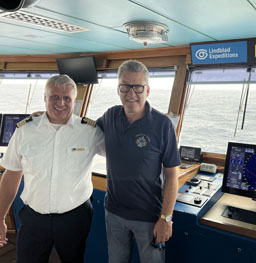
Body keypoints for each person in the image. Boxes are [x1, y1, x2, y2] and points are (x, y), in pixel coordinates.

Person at [0, 75, 105, 263]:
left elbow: (121, 152)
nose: (61, 103)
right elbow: (11, 174)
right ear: (45, 98)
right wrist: (0, 217)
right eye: (54, 97)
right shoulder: (25, 130)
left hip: (75, 217)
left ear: (75, 101)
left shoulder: (90, 131)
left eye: (67, 98)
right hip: (34, 218)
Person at [97, 60, 181, 263]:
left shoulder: (162, 125)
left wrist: (166, 218)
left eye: (138, 87)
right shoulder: (110, 116)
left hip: (149, 216)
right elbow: (84, 129)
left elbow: (172, 176)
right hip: (114, 212)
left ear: (148, 90)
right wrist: (49, 118)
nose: (131, 93)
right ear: (118, 89)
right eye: (125, 86)